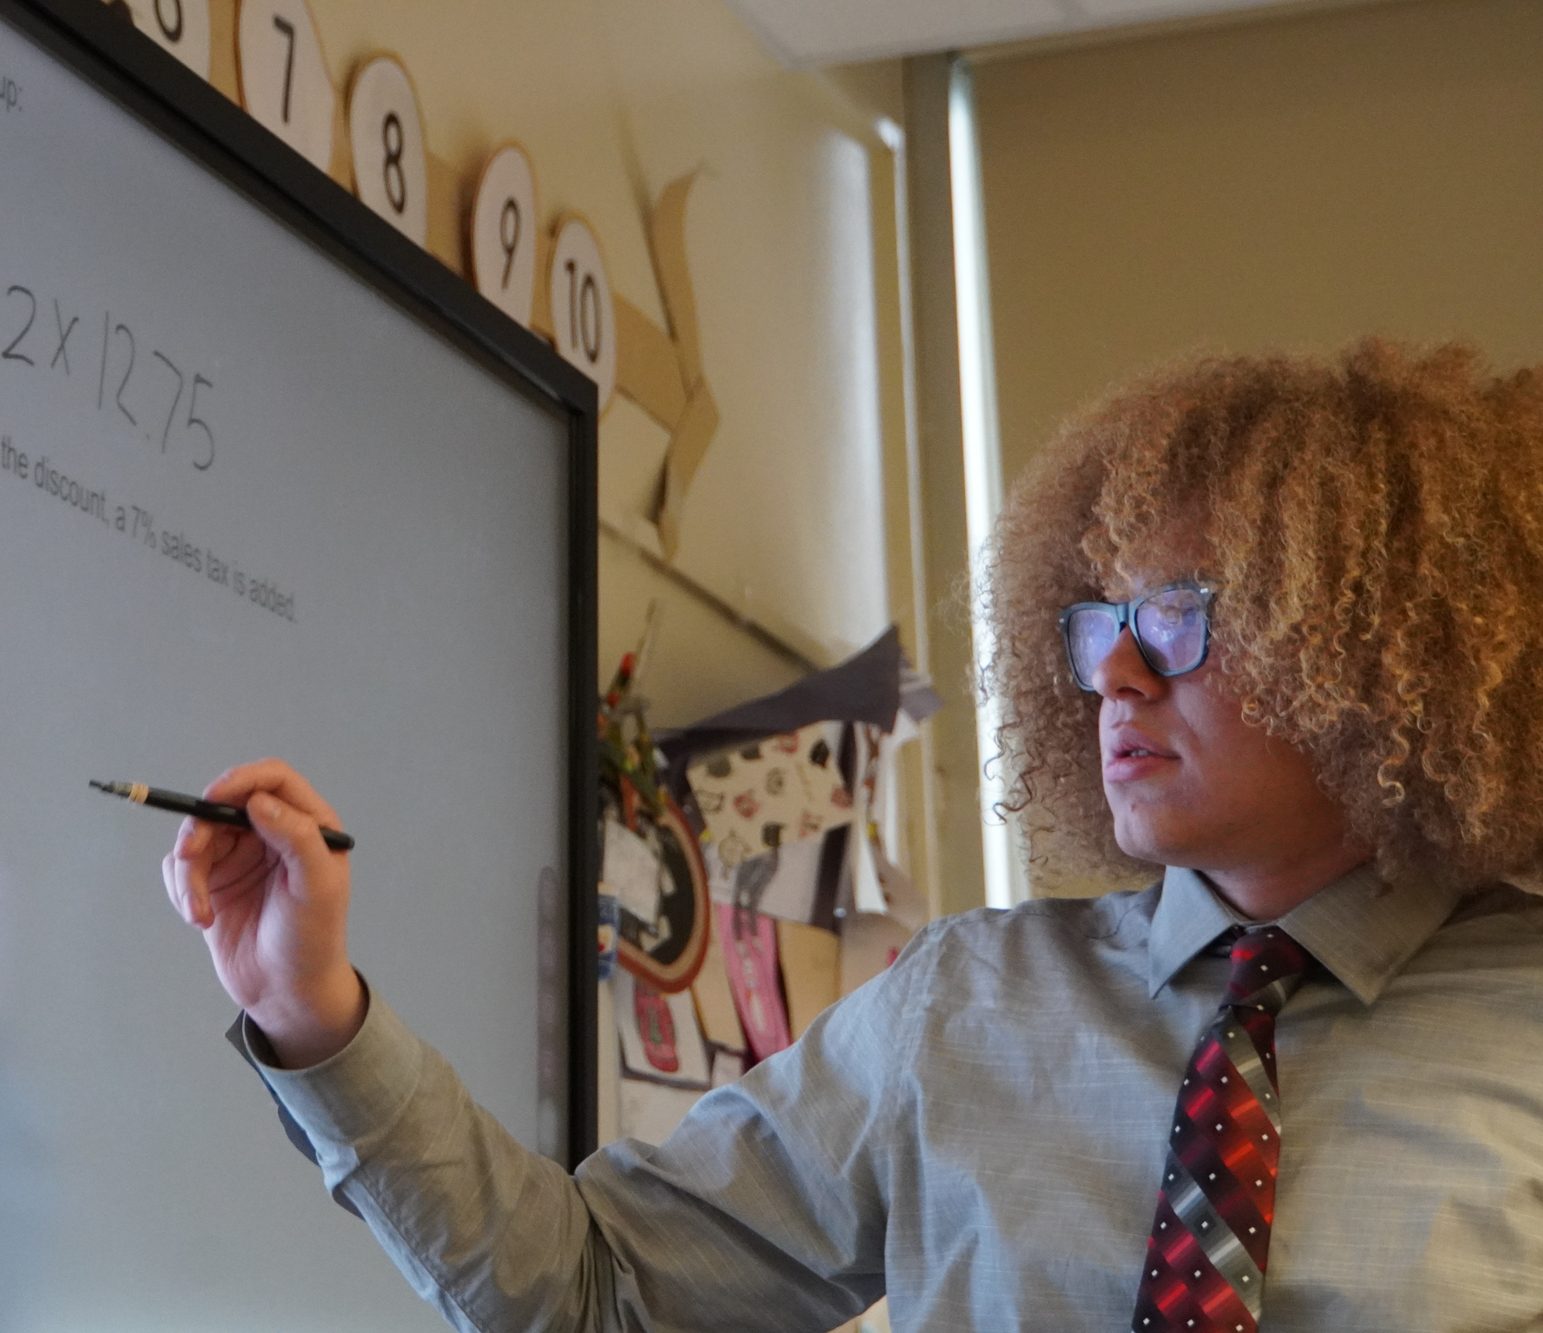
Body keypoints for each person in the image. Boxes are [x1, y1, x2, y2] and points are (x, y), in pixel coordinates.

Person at [166, 338, 1543, 1332]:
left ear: (1374, 650)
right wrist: (312, 1011)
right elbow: (597, 1289)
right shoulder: (966, 1007)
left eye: (1176, 617)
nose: (1115, 674)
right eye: (1096, 622)